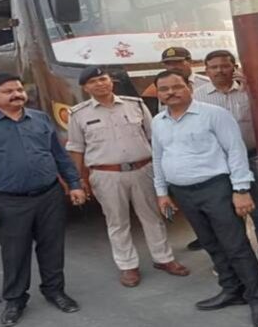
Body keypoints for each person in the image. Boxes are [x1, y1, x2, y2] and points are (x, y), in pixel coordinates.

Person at [151, 70, 258, 327]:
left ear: (189, 87)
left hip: (216, 189)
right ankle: (231, 290)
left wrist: (241, 190)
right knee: (211, 244)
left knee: (236, 246)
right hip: (183, 192)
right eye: (164, 89)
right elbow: (158, 156)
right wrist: (162, 192)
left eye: (177, 86)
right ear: (158, 94)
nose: (171, 92)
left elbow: (235, 151)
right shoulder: (158, 121)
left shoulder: (214, 114)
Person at [0, 73, 87, 327]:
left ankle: (54, 291)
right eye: (8, 91)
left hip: (49, 196)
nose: (16, 95)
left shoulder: (40, 119)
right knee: (15, 253)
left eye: (19, 90)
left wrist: (74, 184)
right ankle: (15, 299)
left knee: (52, 248)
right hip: (10, 202)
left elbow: (59, 155)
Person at [66, 66, 189, 288]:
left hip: (143, 169)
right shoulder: (78, 114)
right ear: (85, 88)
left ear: (111, 81)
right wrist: (78, 180)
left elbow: (154, 138)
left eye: (103, 79)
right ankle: (128, 265)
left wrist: (162, 171)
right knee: (117, 222)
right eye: (93, 82)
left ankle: (164, 258)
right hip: (106, 174)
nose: (100, 84)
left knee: (153, 217)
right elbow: (76, 148)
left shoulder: (136, 105)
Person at [192, 50, 258, 276]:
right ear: (206, 71)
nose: (219, 70)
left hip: (251, 157)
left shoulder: (249, 92)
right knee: (226, 213)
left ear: (234, 67)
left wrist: (251, 91)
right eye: (214, 67)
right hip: (218, 163)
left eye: (224, 66)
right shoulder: (197, 98)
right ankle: (234, 257)